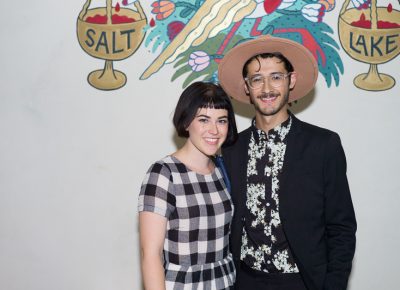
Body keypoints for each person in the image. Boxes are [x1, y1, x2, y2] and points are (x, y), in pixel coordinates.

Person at [217, 35, 357, 290]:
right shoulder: (231, 149)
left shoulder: (323, 145)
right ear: (247, 87)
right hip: (245, 281)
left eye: (276, 77)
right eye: (257, 79)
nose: (267, 88)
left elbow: (341, 227)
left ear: (291, 80)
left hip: (303, 282)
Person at [138, 81, 238, 290]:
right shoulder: (164, 173)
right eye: (203, 119)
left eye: (221, 121)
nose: (214, 130)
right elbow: (150, 255)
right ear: (185, 122)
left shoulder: (223, 170)